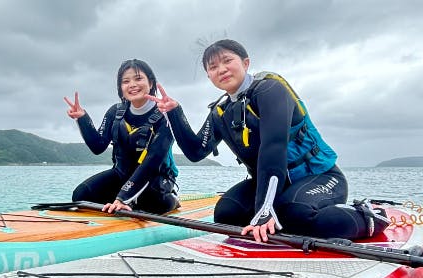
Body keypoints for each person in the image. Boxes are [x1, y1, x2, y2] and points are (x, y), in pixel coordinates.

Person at [147, 39, 389, 242]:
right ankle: (277, 218)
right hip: (278, 185)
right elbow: (196, 151)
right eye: (212, 67)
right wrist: (174, 114)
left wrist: (264, 210)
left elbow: (274, 148)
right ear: (209, 75)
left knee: (292, 213)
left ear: (245, 63)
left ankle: (369, 217)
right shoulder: (221, 111)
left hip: (321, 179)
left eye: (227, 61)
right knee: (226, 213)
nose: (221, 69)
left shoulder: (270, 90)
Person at [64, 59, 179, 214]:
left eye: (138, 79)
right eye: (125, 81)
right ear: (120, 87)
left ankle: (172, 199)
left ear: (150, 83)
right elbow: (98, 146)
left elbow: (151, 163)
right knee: (81, 195)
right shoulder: (115, 112)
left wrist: (122, 198)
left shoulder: (165, 115)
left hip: (156, 177)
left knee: (150, 203)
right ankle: (127, 200)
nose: (132, 84)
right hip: (121, 174)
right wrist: (82, 118)